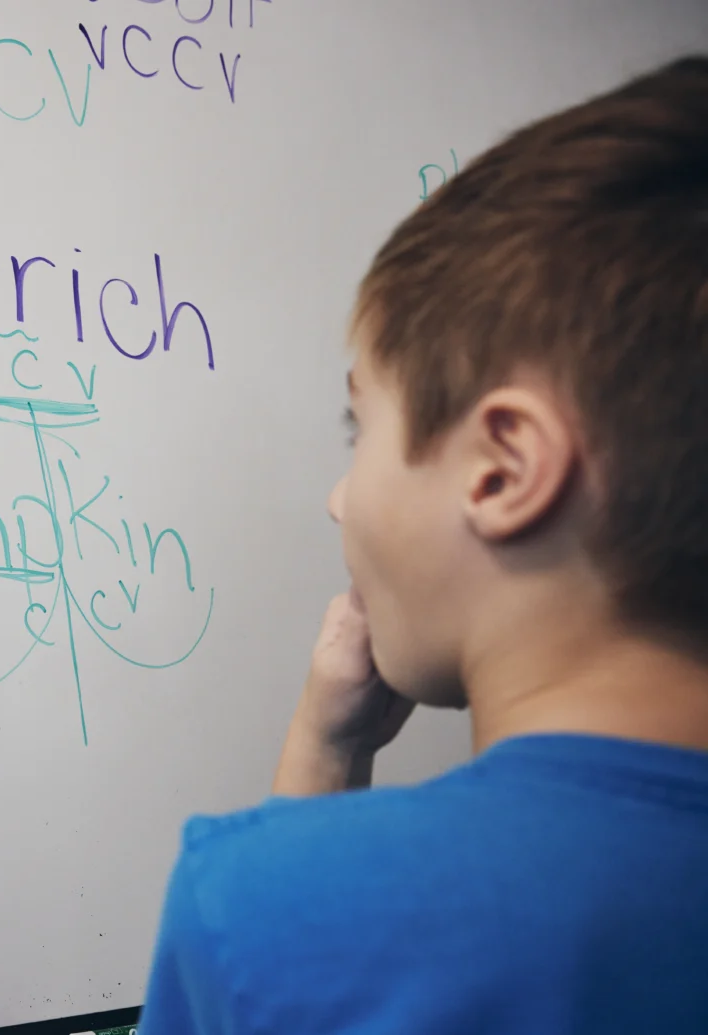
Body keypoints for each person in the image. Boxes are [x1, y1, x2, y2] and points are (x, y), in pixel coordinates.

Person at [139, 56, 708, 1034]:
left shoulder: (253, 904)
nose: (335, 499)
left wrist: (312, 765)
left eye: (361, 434)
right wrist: (333, 740)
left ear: (498, 470)